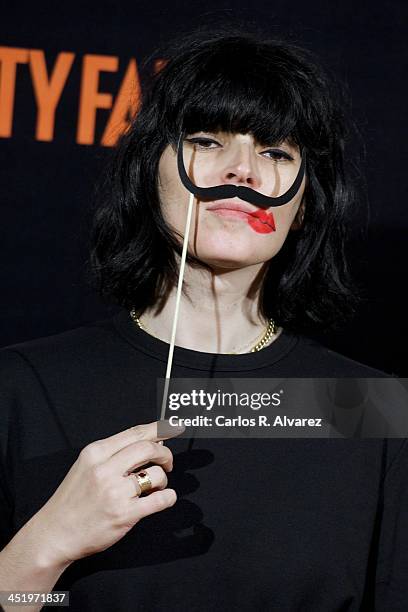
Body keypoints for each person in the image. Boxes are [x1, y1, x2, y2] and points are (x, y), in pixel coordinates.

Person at [0, 26, 407, 612]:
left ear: (305, 202)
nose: (242, 171)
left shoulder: (372, 409)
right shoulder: (23, 388)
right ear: (150, 171)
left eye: (275, 151)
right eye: (207, 141)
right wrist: (48, 545)